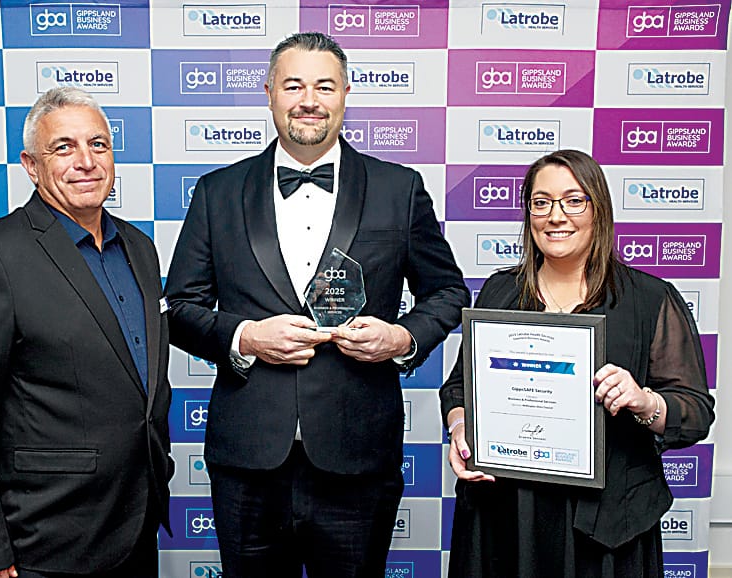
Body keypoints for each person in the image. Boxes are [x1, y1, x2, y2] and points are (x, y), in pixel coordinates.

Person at [164, 31, 468, 577]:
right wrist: (245, 338)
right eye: (293, 85)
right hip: (247, 461)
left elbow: (447, 293)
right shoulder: (217, 192)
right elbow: (180, 308)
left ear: (346, 93)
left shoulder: (399, 188)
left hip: (357, 460)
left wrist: (402, 339)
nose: (309, 99)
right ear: (269, 93)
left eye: (324, 85)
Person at [0, 87, 173, 578]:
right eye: (63, 147)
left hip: (135, 525)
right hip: (44, 541)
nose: (85, 161)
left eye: (98, 145)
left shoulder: (140, 247)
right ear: (31, 166)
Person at [439, 149, 715, 577]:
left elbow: (695, 414)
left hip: (607, 527)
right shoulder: (499, 293)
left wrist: (643, 401)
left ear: (598, 210)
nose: (556, 216)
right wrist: (461, 429)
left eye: (573, 200)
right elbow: (459, 389)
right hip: (505, 516)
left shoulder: (648, 299)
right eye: (541, 202)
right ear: (529, 214)